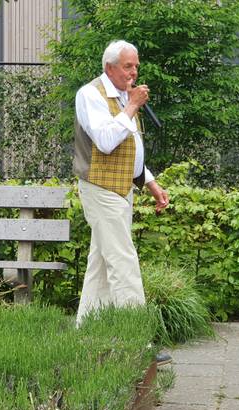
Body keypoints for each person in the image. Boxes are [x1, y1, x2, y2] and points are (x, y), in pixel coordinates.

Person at [73, 40, 171, 363]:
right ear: (109, 68)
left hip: (122, 189)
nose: (134, 73)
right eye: (128, 66)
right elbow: (105, 141)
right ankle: (138, 344)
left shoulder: (123, 98)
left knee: (100, 263)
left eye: (136, 66)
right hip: (101, 190)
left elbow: (131, 151)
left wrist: (150, 182)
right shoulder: (90, 95)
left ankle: (84, 334)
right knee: (123, 261)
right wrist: (130, 108)